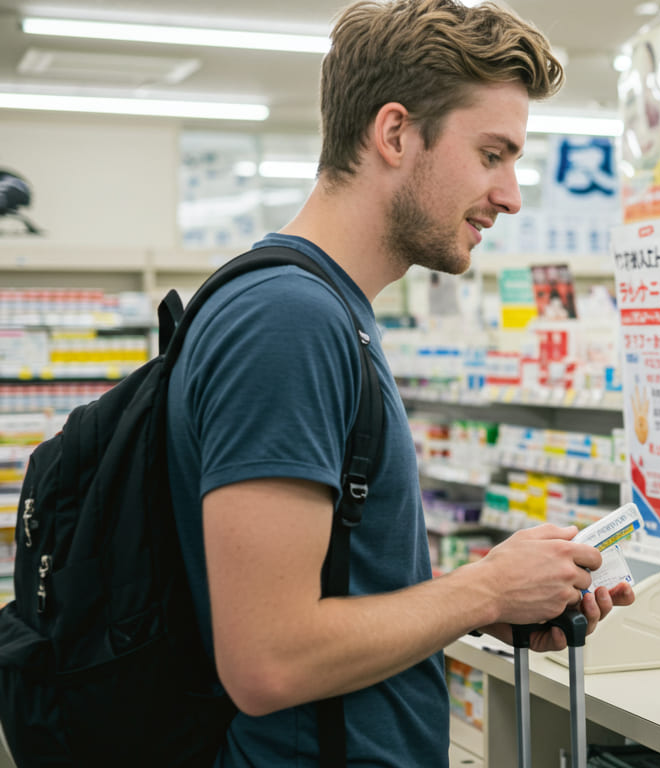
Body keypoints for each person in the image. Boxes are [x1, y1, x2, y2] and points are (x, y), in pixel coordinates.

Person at [165, 1, 634, 765]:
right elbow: (267, 661)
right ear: (394, 134)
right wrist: (481, 593)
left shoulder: (325, 307)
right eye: (492, 155)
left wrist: (486, 600)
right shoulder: (289, 320)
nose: (512, 195)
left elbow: (331, 592)